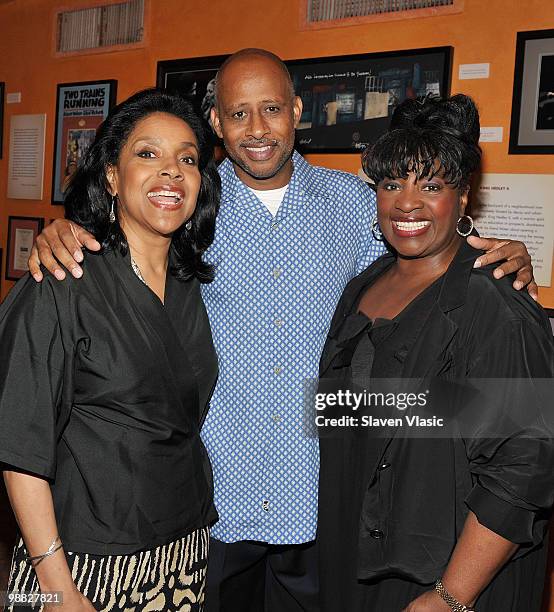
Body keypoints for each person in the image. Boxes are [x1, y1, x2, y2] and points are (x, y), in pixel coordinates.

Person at [27, 50, 538, 612]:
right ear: (216, 122)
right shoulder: (189, 205)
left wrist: (497, 257)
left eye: (271, 108)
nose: (258, 129)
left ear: (297, 110)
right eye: (238, 113)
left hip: (323, 504)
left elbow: (423, 253)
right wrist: (64, 231)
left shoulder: (356, 205)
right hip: (213, 504)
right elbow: (120, 237)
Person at [316, 94, 554, 611]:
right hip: (359, 562)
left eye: (431, 186)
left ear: (463, 197)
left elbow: (526, 466)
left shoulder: (496, 304)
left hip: (446, 578)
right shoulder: (361, 286)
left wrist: (451, 595)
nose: (407, 203)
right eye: (391, 183)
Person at [0, 88, 220, 611]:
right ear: (112, 177)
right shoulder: (60, 279)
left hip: (183, 550)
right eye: (148, 154)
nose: (171, 173)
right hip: (79, 562)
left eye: (186, 159)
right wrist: (54, 588)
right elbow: (21, 448)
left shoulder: (193, 286)